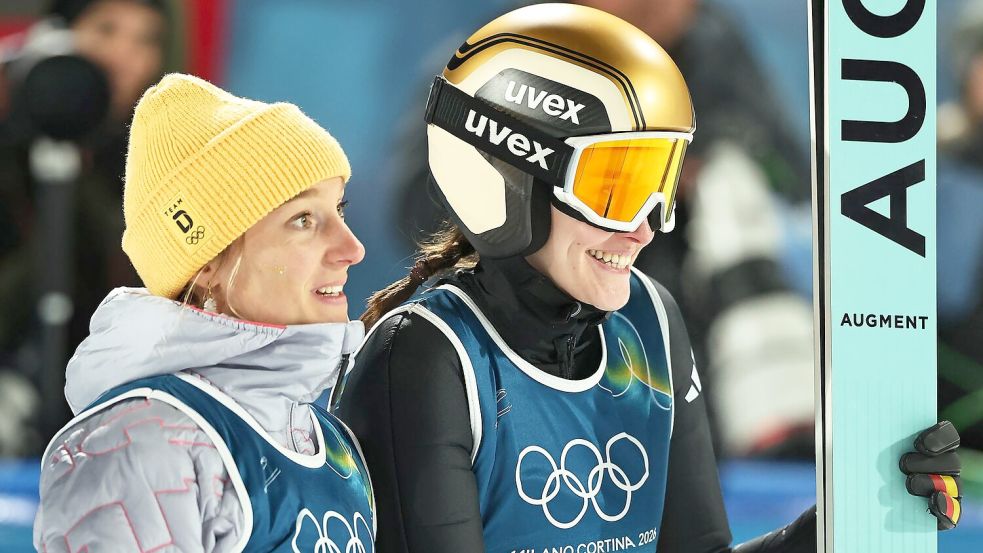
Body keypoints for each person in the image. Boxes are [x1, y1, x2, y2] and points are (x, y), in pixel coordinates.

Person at [334, 5, 962, 552]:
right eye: (615, 188)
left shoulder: (649, 320)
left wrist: (850, 520)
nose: (644, 229)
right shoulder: (426, 358)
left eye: (659, 184)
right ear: (508, 180)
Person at [33, 74, 375, 552]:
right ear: (207, 263)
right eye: (303, 219)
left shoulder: (326, 438)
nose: (352, 248)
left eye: (340, 209)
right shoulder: (141, 443)